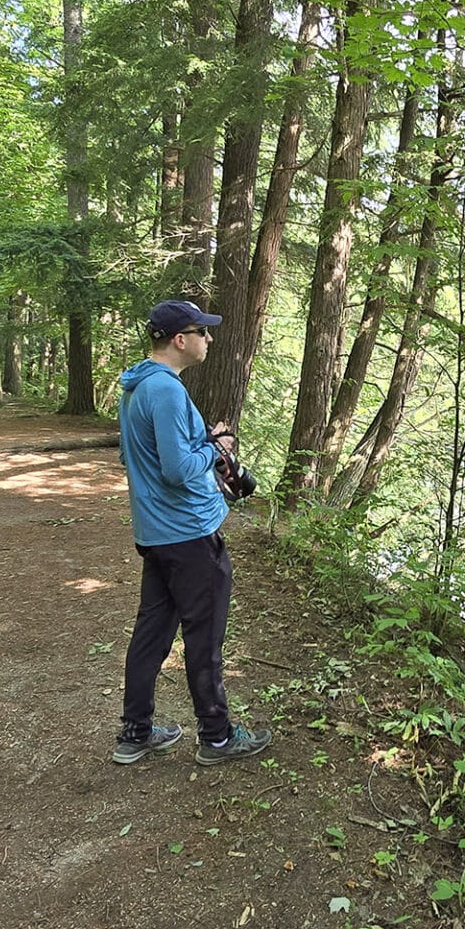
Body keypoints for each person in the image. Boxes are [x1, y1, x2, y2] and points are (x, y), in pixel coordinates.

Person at [112, 298, 273, 766]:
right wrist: (216, 447)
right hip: (187, 536)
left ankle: (135, 733)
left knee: (151, 635)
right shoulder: (164, 390)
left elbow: (133, 456)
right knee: (203, 638)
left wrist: (198, 443)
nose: (210, 339)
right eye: (202, 332)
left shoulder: (136, 385)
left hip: (157, 532)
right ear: (180, 340)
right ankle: (218, 737)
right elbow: (179, 470)